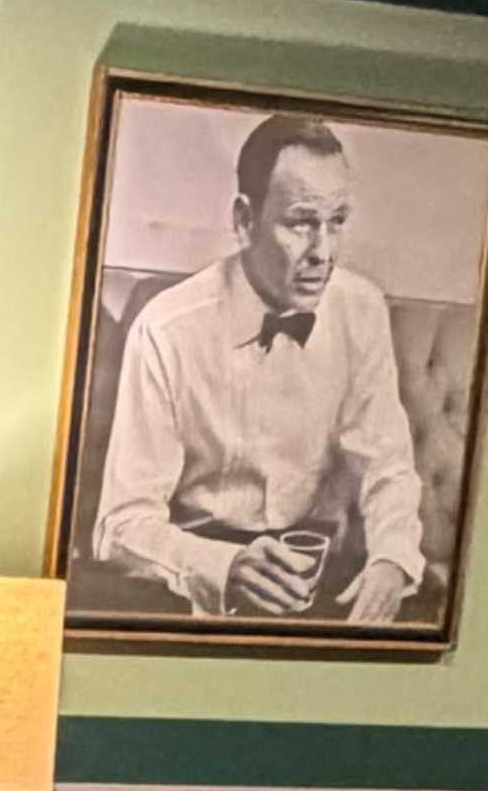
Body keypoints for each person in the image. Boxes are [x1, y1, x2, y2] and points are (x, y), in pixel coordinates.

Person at [91, 109, 429, 626]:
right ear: (244, 220)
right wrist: (223, 566)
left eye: (336, 222)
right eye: (300, 222)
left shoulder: (361, 310)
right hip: (192, 583)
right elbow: (121, 526)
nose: (323, 252)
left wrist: (392, 558)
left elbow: (386, 467)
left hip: (318, 573)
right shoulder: (165, 329)